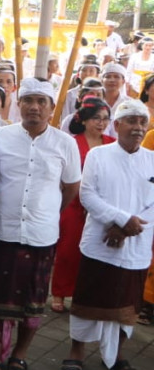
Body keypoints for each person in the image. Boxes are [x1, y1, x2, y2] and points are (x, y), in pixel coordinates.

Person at [0, 79, 81, 370]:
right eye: (28, 101)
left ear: (52, 109)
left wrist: (47, 212)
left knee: (33, 303)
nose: (34, 107)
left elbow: (71, 188)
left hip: (41, 235)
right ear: (18, 104)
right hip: (3, 232)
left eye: (41, 102)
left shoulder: (66, 143)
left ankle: (20, 355)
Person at [62, 99, 154, 370]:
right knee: (90, 297)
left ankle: (116, 355)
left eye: (142, 122)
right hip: (101, 241)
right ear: (117, 126)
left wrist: (126, 227)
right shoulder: (98, 155)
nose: (138, 128)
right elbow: (87, 195)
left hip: (137, 243)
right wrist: (118, 220)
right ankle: (76, 352)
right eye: (132, 121)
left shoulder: (151, 159)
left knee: (127, 303)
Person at [52, 98, 114, 314]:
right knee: (68, 250)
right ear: (85, 119)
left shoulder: (111, 143)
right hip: (74, 203)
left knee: (95, 251)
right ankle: (59, 292)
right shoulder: (72, 142)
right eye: (96, 118)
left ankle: (84, 295)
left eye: (105, 119)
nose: (101, 123)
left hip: (102, 205)